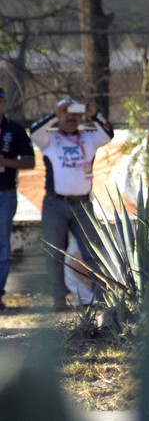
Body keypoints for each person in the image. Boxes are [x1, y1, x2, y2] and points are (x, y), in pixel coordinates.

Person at [29, 98, 112, 310]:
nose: (70, 117)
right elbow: (34, 131)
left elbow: (108, 134)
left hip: (83, 205)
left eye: (74, 113)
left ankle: (101, 298)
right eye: (65, 113)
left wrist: (94, 114)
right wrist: (55, 114)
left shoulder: (88, 138)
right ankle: (58, 299)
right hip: (55, 204)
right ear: (59, 115)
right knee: (55, 252)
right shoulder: (50, 139)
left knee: (93, 252)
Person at [0, 88, 35, 310]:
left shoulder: (14, 129)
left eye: (0, 101)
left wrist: (6, 163)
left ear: (4, 104)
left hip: (5, 193)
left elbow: (30, 162)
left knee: (2, 243)